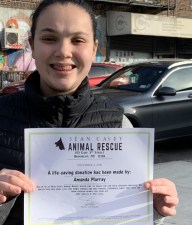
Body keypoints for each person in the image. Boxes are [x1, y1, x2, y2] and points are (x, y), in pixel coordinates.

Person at [0, 0, 179, 224]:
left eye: (77, 40)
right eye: (49, 38)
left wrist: (151, 209)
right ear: (32, 46)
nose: (64, 51)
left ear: (94, 48)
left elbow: (126, 215)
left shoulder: (118, 123)